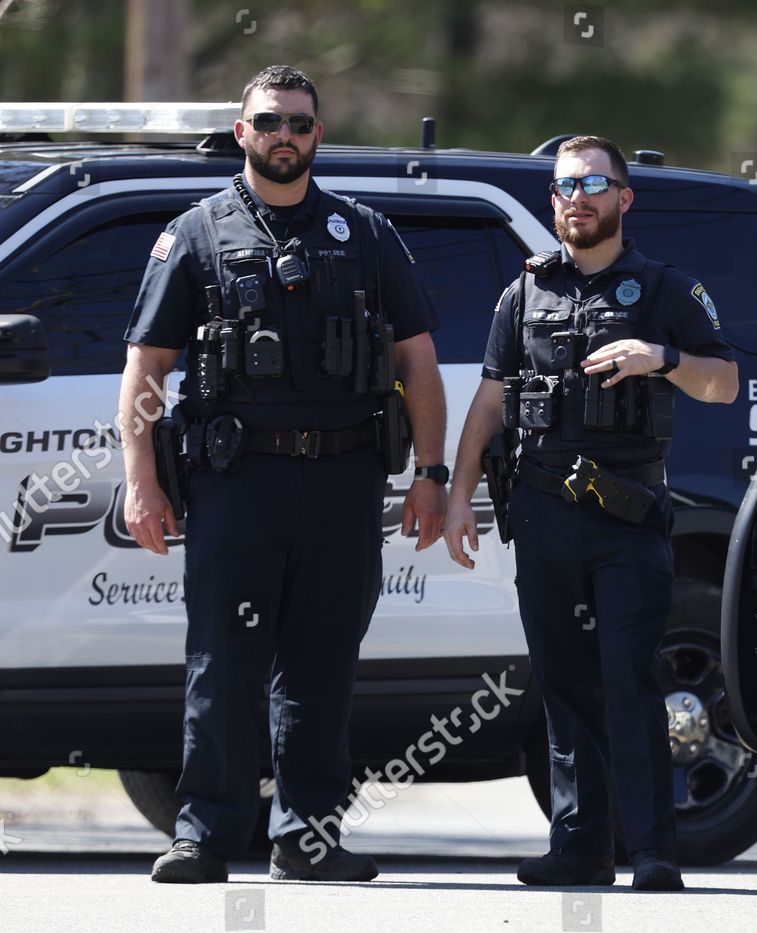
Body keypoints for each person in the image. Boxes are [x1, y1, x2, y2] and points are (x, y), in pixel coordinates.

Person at [119, 65, 447, 884]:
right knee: (223, 659)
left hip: (343, 481)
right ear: (243, 133)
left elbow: (418, 361)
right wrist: (141, 479)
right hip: (238, 482)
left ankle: (308, 834)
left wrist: (432, 474)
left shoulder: (365, 233)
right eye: (269, 121)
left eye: (299, 123)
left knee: (321, 662)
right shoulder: (196, 234)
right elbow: (147, 367)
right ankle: (204, 833)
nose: (285, 135)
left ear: (318, 136)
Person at [442, 135, 738, 891]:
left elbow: (724, 383)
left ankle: (652, 850)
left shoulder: (666, 289)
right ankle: (578, 846)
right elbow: (492, 398)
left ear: (624, 198)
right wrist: (457, 495)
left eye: (595, 183)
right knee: (564, 681)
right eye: (566, 185)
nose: (578, 196)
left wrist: (661, 358)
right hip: (542, 513)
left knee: (627, 676)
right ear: (554, 200)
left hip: (627, 516)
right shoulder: (524, 293)